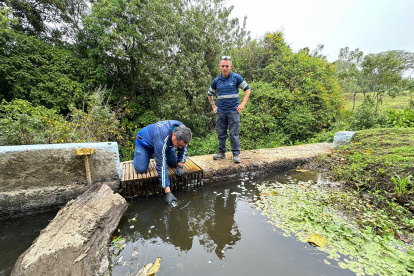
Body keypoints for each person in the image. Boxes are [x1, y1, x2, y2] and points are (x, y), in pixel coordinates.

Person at [133, 120, 192, 206]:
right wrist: (168, 192)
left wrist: (180, 166)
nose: (180, 147)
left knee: (174, 164)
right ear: (174, 135)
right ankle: (141, 155)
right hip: (145, 143)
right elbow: (161, 165)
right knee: (140, 169)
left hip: (166, 144)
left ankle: (159, 151)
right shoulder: (161, 135)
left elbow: (183, 148)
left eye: (182, 145)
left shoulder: (183, 131)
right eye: (179, 144)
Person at [207, 56, 251, 163]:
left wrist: (242, 105)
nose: (225, 68)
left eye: (227, 66)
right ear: (219, 67)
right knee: (221, 133)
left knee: (233, 133)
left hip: (233, 112)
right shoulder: (216, 81)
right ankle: (221, 153)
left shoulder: (236, 78)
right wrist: (213, 106)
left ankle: (235, 154)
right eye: (223, 66)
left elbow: (247, 90)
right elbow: (209, 94)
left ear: (231, 67)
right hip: (221, 112)